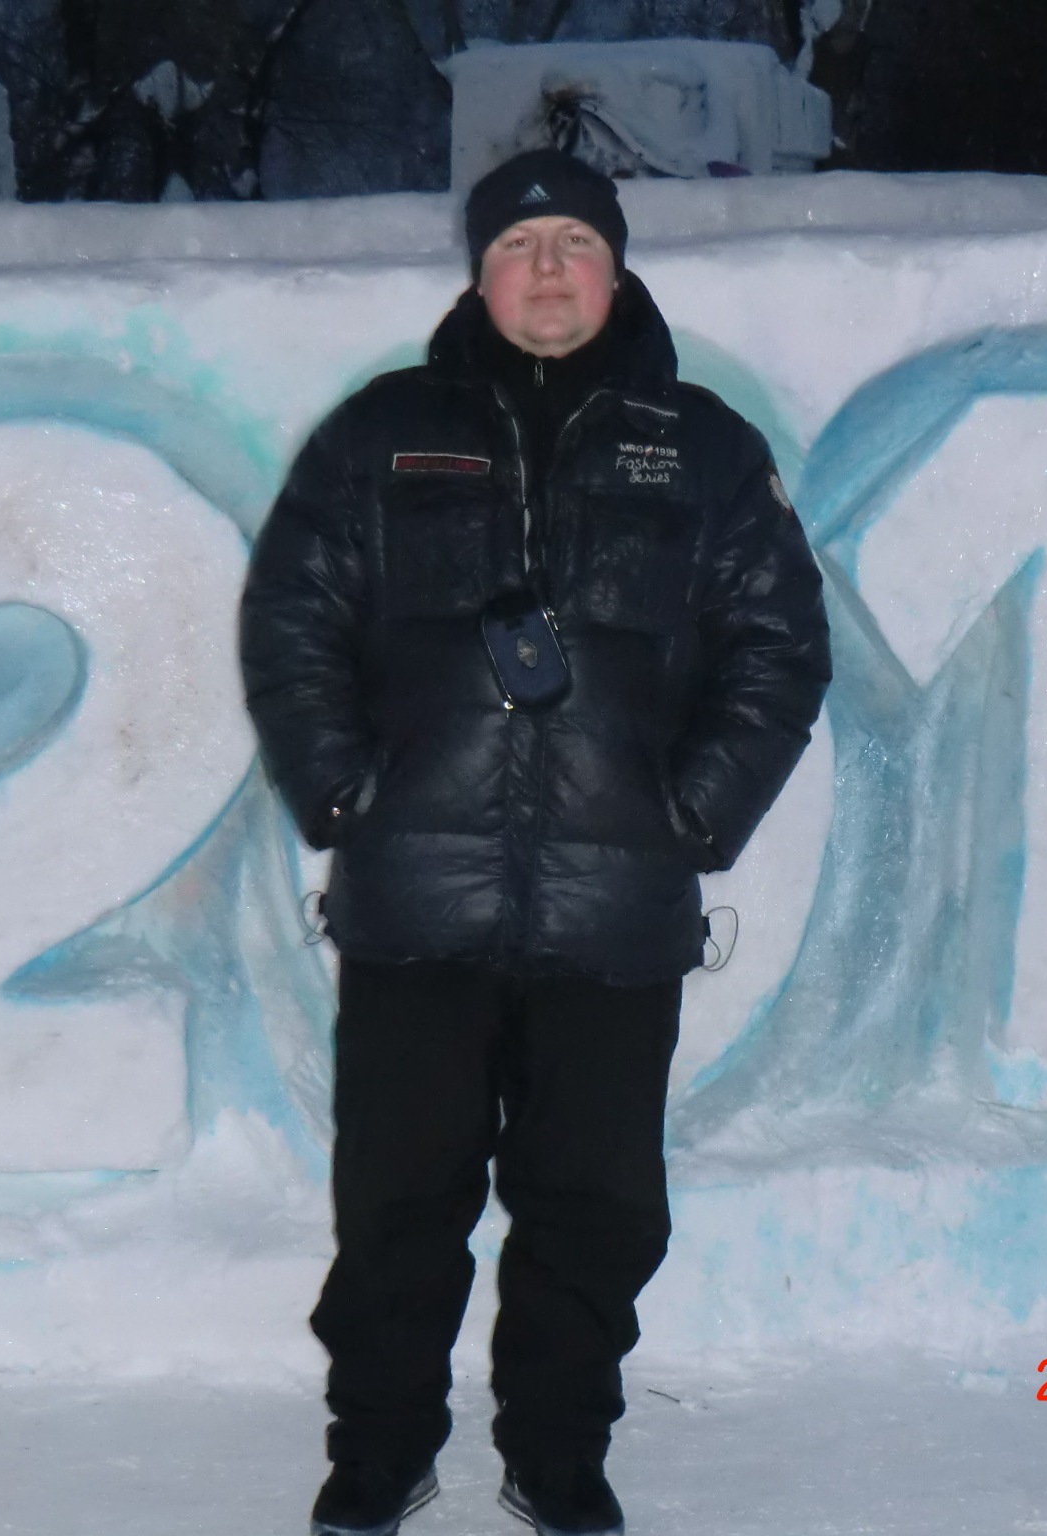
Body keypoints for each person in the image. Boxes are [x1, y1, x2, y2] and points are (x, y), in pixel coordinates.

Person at [238, 149, 832, 1536]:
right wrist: (345, 800)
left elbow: (780, 649)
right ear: (479, 272)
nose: (548, 269)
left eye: (575, 243)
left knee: (594, 1210)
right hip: (415, 906)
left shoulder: (702, 448)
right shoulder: (382, 433)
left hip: (615, 915)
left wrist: (696, 814)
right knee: (396, 1203)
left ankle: (558, 1454)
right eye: (520, 246)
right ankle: (378, 1450)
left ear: (615, 270)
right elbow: (292, 623)